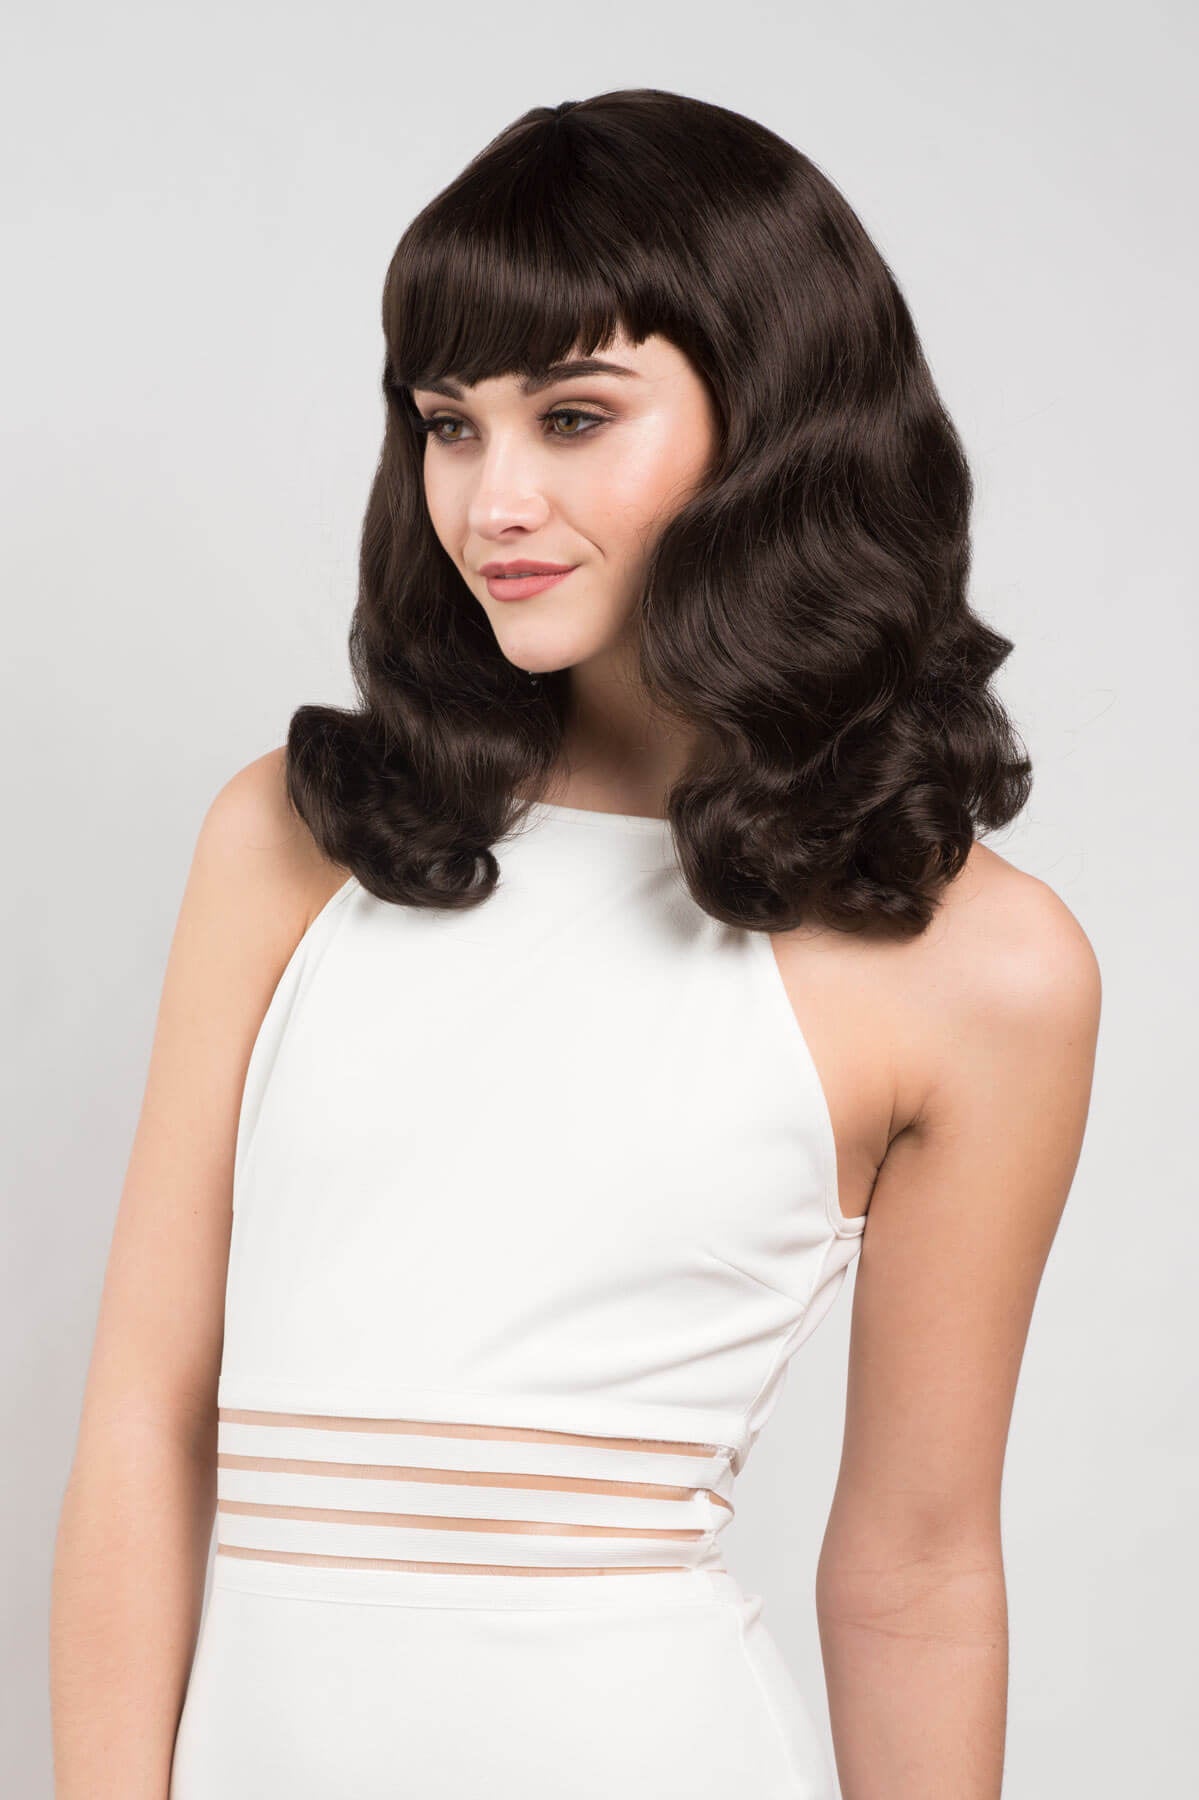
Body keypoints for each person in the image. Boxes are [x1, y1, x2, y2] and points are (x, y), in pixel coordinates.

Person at [49, 89, 1101, 1799]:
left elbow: (915, 1574)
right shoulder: (296, 843)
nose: (494, 501)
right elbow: (142, 1428)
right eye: (449, 426)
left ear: (769, 421)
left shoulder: (980, 969)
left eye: (574, 415)